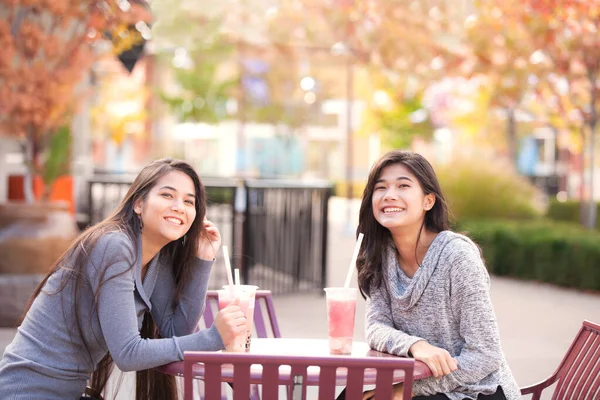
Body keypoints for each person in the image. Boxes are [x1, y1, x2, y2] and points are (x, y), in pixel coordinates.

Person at [0, 158, 246, 400]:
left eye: (188, 201)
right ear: (139, 203)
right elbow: (128, 353)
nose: (179, 206)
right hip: (26, 391)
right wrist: (214, 337)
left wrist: (202, 258)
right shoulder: (114, 246)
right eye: (167, 195)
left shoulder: (154, 260)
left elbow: (176, 331)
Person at [355, 150, 520, 400]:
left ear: (428, 201)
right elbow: (377, 327)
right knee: (351, 395)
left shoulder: (457, 257)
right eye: (381, 188)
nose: (390, 195)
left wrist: (406, 390)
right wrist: (415, 345)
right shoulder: (380, 255)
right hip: (424, 386)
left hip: (480, 389)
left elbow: (485, 355)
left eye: (403, 186)